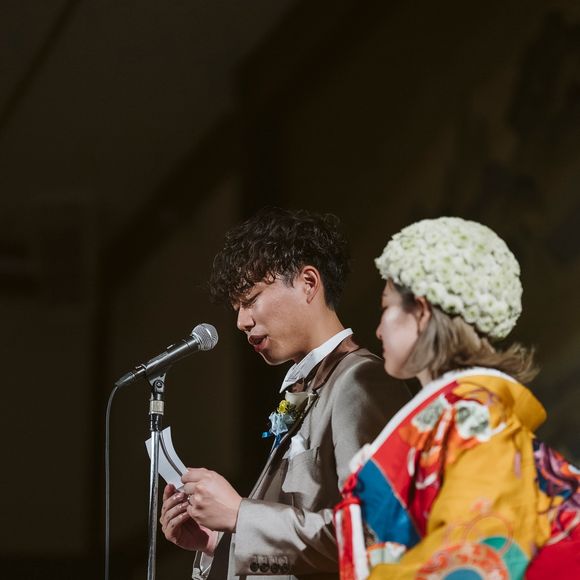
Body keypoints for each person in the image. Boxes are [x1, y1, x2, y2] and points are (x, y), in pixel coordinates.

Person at [160, 208, 411, 579]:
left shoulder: (362, 382)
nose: (241, 321)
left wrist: (242, 515)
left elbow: (373, 535)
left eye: (251, 299)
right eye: (237, 308)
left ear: (308, 283)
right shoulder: (304, 387)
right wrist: (221, 542)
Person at [335, 216, 580, 579]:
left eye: (386, 306)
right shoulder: (473, 414)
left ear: (421, 311)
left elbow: (474, 559)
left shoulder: (475, 419)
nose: (378, 329)